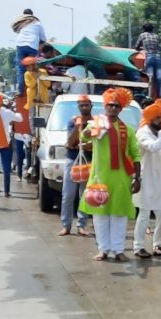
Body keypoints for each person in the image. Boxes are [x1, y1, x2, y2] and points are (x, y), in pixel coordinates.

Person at [79, 88, 141, 262]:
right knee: (100, 215)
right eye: (110, 105)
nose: (113, 108)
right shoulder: (96, 124)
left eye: (116, 106)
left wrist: (137, 177)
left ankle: (118, 249)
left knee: (119, 214)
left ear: (121, 109)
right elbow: (83, 138)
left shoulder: (127, 130)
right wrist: (88, 132)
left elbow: (135, 153)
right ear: (105, 107)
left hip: (122, 177)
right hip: (100, 177)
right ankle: (103, 249)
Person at [133, 100, 161, 258]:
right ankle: (138, 247)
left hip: (160, 179)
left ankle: (157, 244)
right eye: (158, 118)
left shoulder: (160, 132)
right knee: (144, 215)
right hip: (146, 179)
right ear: (150, 118)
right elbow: (153, 147)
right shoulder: (142, 132)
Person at [60, 96, 94, 237]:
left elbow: (95, 144)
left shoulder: (96, 122)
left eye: (86, 105)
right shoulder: (73, 122)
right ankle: (66, 226)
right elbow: (70, 143)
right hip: (72, 160)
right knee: (68, 195)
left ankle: (81, 225)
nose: (84, 107)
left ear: (91, 106)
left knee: (84, 195)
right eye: (82, 105)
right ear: (78, 107)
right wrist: (79, 126)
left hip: (88, 161)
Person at [12, 9, 46, 95]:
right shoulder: (38, 23)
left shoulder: (21, 23)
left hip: (20, 45)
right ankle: (32, 88)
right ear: (32, 15)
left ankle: (20, 90)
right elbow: (44, 39)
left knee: (20, 68)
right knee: (32, 68)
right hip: (32, 46)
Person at [135, 23, 161, 100]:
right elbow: (160, 47)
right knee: (159, 77)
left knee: (150, 76)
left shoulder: (142, 35)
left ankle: (149, 95)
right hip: (158, 56)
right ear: (152, 29)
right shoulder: (156, 36)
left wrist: (142, 48)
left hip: (149, 56)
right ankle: (159, 95)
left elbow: (136, 47)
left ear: (144, 29)